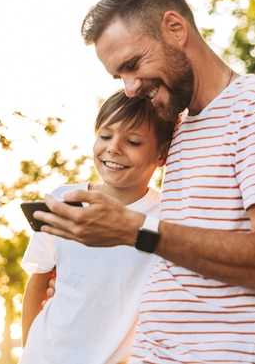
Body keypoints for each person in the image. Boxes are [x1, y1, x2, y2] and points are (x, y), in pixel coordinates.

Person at [35, 0, 255, 363]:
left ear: (175, 28)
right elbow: (182, 253)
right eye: (119, 75)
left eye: (133, 65)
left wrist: (130, 229)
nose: (130, 87)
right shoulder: (181, 128)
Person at [19, 88, 176, 364]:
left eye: (133, 142)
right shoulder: (62, 200)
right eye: (105, 136)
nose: (113, 148)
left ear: (161, 154)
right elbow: (38, 283)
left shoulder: (168, 218)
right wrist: (27, 353)